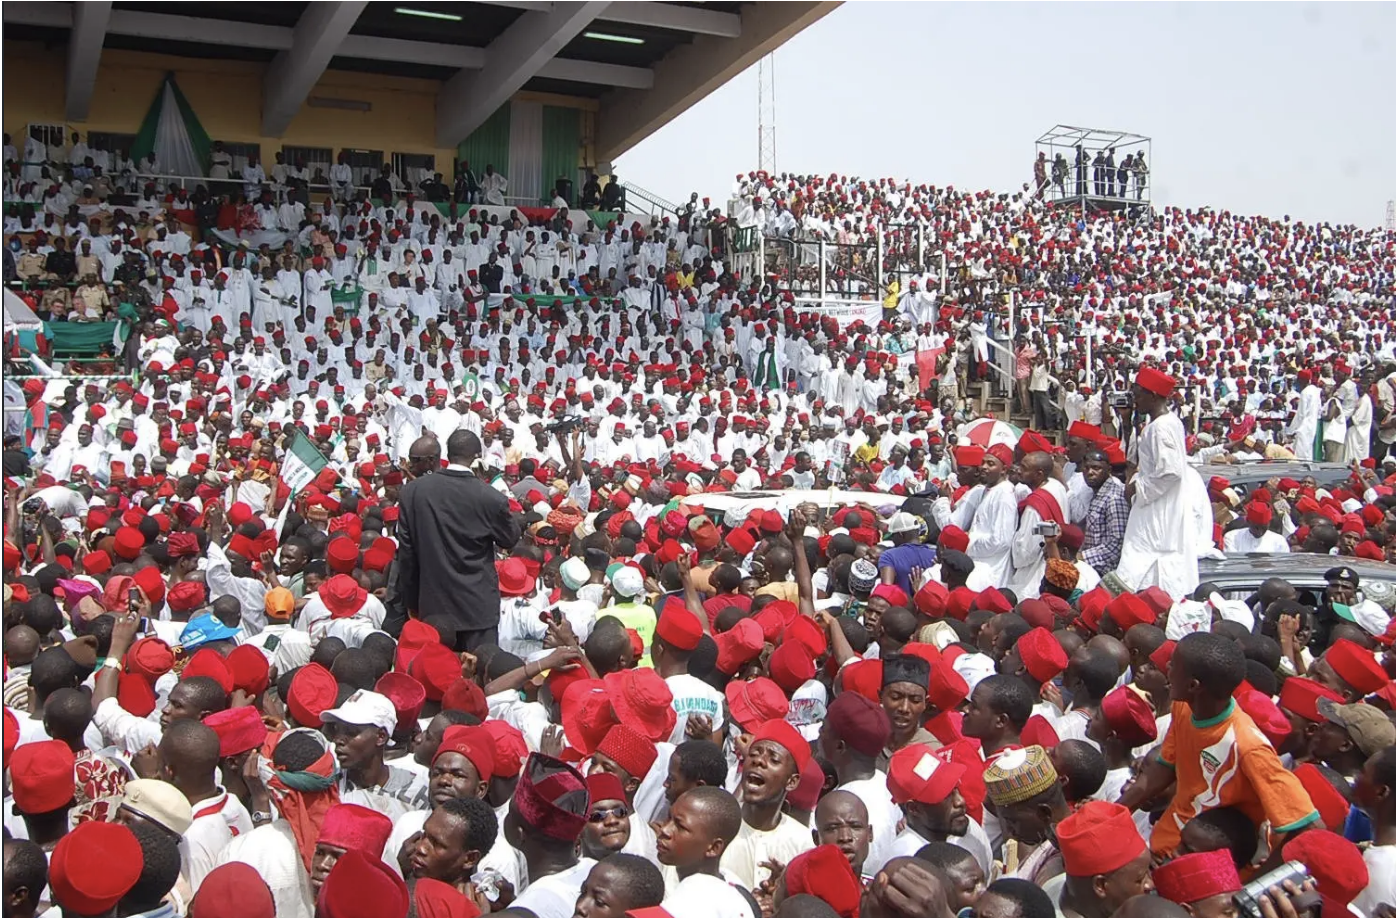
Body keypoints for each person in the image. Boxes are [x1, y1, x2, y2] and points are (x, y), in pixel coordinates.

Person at [1119, 632, 1320, 858]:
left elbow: (1308, 829)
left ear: (1193, 685)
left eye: (1173, 665)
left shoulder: (1249, 747)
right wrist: (1117, 812)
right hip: (1164, 845)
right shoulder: (1183, 706)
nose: (1167, 667)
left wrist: (1251, 878)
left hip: (1200, 864)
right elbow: (1165, 766)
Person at [391, 429, 521, 651]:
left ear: (447, 454)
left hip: (433, 606)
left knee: (437, 668)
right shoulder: (490, 497)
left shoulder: (413, 492)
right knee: (480, 669)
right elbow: (509, 539)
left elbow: (407, 554)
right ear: (477, 456)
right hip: (478, 608)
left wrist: (412, 600)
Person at [1115, 367, 1201, 600]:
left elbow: (1170, 472)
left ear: (1152, 395)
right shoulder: (1158, 424)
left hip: (1158, 511)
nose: (1135, 400)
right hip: (1153, 506)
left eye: (1138, 395)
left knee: (1147, 568)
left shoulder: (1162, 426)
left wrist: (1137, 488)